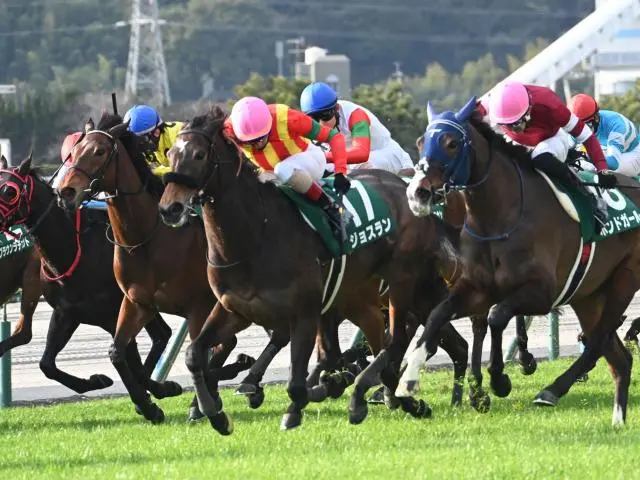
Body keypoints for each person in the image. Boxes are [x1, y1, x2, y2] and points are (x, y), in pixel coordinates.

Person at [477, 81, 616, 231]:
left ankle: (591, 200)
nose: (516, 129)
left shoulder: (550, 104)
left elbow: (586, 136)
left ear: (529, 107)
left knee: (539, 158)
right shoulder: (489, 106)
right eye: (509, 125)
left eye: (517, 123)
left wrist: (602, 169)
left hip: (552, 140)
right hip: (518, 144)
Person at [223, 96, 350, 229]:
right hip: (271, 171)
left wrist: (340, 172)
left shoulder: (287, 118)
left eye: (261, 138)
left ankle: (331, 207)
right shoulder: (228, 131)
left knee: (282, 169)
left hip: (310, 159)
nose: (258, 144)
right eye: (250, 142)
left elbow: (334, 137)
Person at [299, 82, 414, 176]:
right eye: (313, 119)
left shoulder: (356, 115)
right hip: (353, 162)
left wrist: (320, 157)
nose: (320, 124)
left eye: (324, 116)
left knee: (358, 167)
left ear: (336, 109)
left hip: (390, 157)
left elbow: (361, 154)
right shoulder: (305, 126)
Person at [567, 93, 640, 177]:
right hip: (607, 150)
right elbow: (566, 151)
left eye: (585, 126)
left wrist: (585, 155)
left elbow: (613, 163)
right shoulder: (577, 126)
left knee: (603, 170)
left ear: (596, 117)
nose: (581, 130)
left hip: (631, 153)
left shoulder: (617, 125)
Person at [122, 105, 184, 177]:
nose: (139, 145)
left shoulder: (180, 136)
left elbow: (183, 169)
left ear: (156, 132)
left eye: (141, 140)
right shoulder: (149, 144)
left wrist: (152, 171)